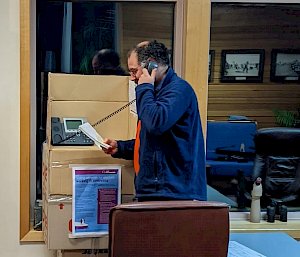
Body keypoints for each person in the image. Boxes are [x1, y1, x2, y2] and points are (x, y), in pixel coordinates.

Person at [103, 40, 207, 201]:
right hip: (157, 190)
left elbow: (155, 124)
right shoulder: (156, 92)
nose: (132, 78)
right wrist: (121, 147)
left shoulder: (178, 90)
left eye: (134, 71)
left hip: (173, 193)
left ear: (151, 65)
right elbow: (154, 142)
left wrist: (144, 87)